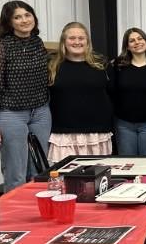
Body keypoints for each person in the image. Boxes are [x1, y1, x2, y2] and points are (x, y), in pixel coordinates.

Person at [0, 0, 51, 191]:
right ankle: (15, 215)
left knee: (40, 168)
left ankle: (38, 212)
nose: (24, 20)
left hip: (41, 111)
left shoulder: (37, 42)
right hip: (11, 113)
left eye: (27, 15)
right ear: (9, 22)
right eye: (17, 17)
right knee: (16, 171)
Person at [47, 22, 114, 161]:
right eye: (72, 38)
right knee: (64, 177)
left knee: (96, 176)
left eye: (81, 38)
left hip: (96, 133)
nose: (77, 42)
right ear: (63, 42)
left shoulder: (101, 64)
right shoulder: (52, 65)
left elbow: (112, 93)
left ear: (87, 41)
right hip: (63, 133)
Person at [110, 28, 146, 156]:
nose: (137, 42)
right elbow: (111, 92)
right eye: (132, 40)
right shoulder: (118, 65)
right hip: (124, 124)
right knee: (127, 164)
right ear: (127, 46)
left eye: (140, 38)